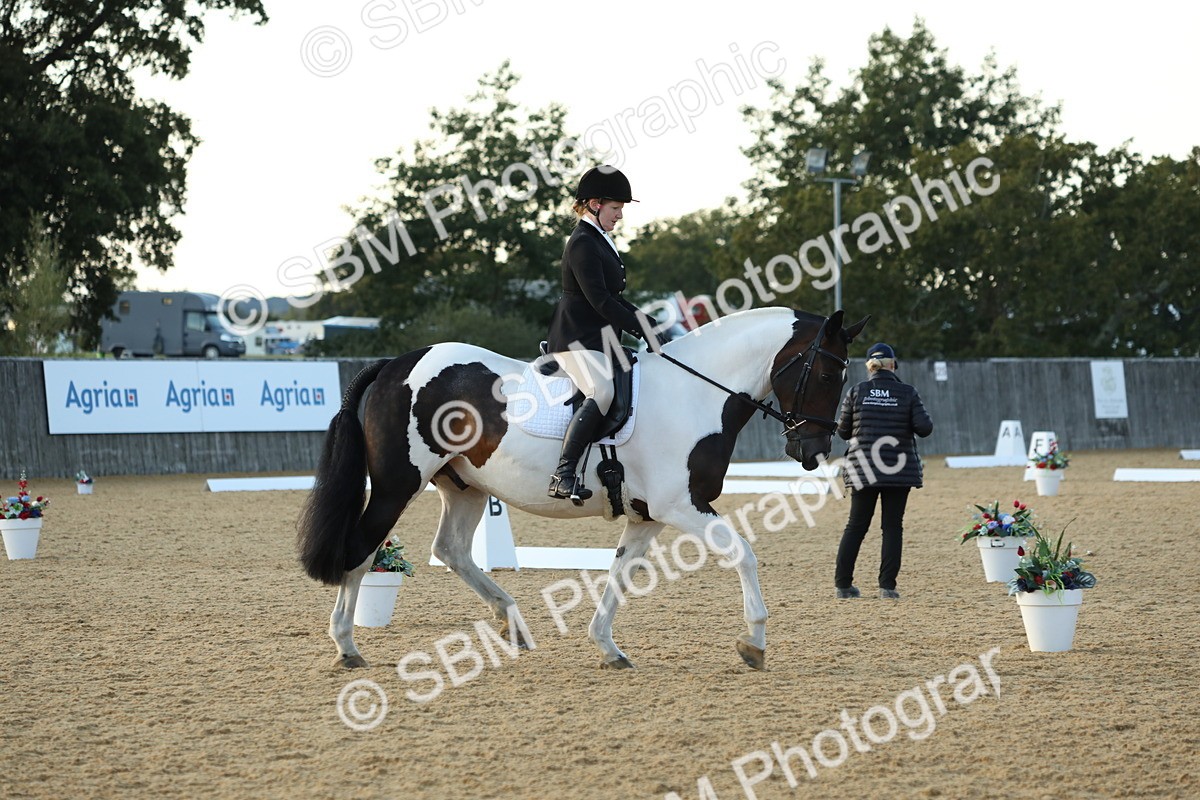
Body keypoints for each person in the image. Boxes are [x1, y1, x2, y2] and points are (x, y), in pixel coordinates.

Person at [545, 165, 665, 502]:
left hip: (601, 340)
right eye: (616, 209)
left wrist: (650, 325)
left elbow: (617, 299)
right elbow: (599, 300)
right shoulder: (583, 242)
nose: (620, 216)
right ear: (595, 204)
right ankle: (563, 474)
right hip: (576, 339)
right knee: (602, 391)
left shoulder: (601, 240)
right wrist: (639, 328)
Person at [833, 342, 933, 599]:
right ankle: (887, 587)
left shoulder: (857, 391)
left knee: (855, 526)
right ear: (893, 364)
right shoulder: (908, 392)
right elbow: (924, 428)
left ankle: (843, 585)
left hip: (863, 469)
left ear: (870, 367)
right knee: (892, 527)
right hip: (898, 470)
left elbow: (843, 431)